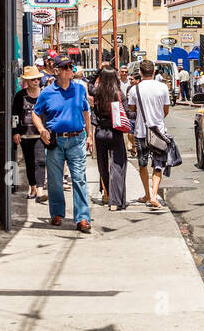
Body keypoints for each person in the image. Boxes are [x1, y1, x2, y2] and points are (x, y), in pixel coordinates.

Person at [32, 57, 95, 233]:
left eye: (71, 67)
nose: (70, 69)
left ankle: (82, 217)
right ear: (58, 70)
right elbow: (36, 114)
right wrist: (41, 129)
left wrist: (89, 136)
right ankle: (57, 213)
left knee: (79, 179)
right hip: (56, 141)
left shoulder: (79, 90)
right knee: (54, 181)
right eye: (66, 67)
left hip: (77, 139)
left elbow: (85, 113)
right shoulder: (47, 92)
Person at [130, 58, 171, 209]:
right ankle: (154, 195)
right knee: (158, 164)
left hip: (141, 132)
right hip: (159, 131)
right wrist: (158, 119)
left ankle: (147, 194)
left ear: (140, 72)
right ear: (154, 72)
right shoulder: (163, 88)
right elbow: (166, 110)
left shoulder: (135, 89)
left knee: (142, 164)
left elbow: (132, 109)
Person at [92, 66, 129, 212]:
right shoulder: (118, 94)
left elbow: (90, 84)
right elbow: (126, 112)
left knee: (103, 165)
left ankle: (107, 192)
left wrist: (98, 71)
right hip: (115, 132)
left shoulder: (97, 93)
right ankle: (115, 201)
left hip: (100, 132)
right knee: (118, 166)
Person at [12, 65, 46, 203]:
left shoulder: (44, 94)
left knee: (40, 161)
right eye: (32, 80)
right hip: (25, 134)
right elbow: (14, 115)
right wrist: (15, 132)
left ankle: (40, 190)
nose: (36, 81)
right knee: (29, 162)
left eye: (37, 79)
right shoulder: (20, 95)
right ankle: (32, 186)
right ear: (27, 81)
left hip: (40, 134)